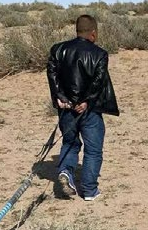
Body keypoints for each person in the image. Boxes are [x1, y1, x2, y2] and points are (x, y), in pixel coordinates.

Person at [47, 14, 119, 201]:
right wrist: (86, 101)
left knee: (70, 143)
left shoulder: (58, 50)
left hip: (66, 108)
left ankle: (65, 172)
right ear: (93, 34)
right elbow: (98, 81)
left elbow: (52, 73)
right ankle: (89, 190)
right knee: (93, 149)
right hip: (89, 111)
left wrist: (59, 97)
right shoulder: (99, 54)